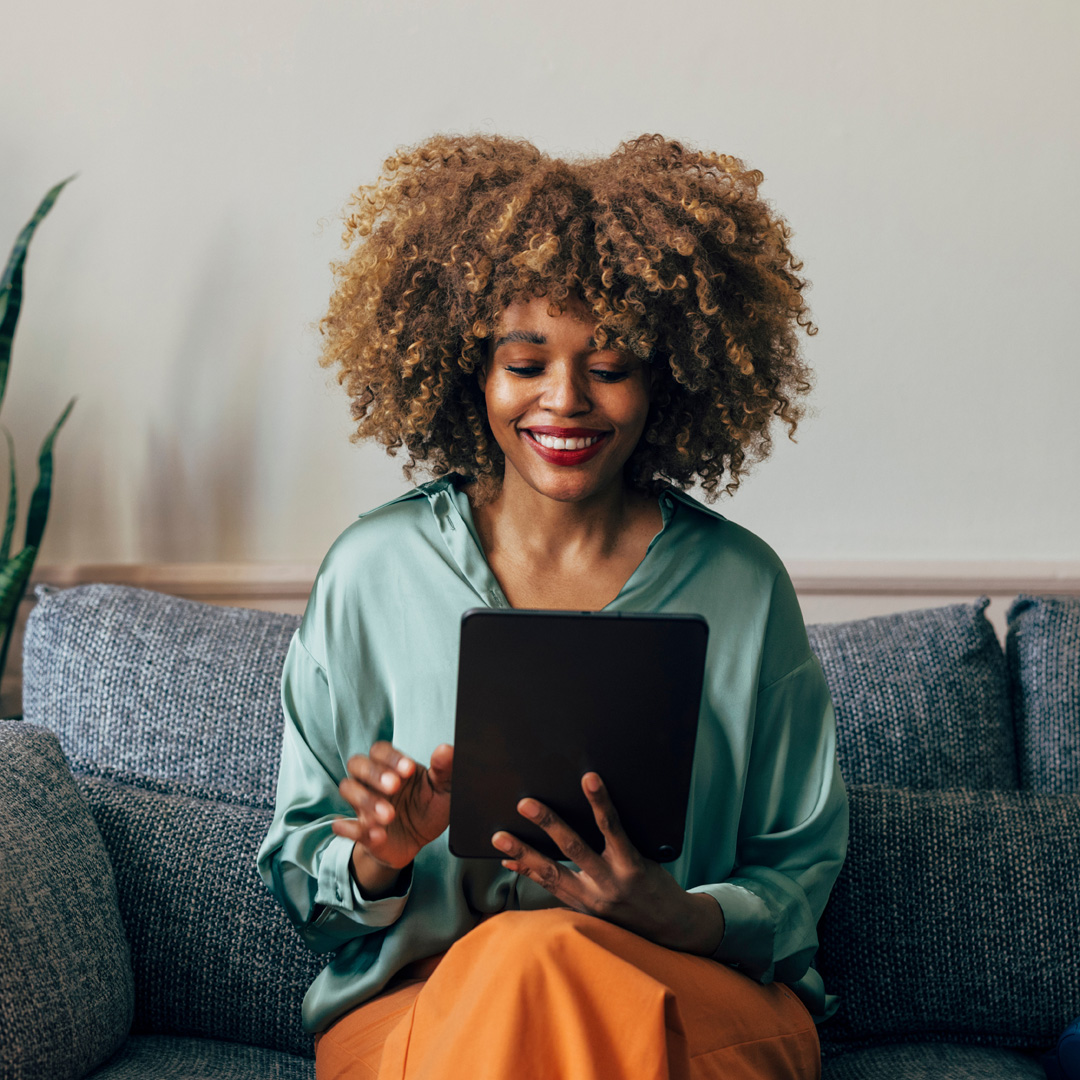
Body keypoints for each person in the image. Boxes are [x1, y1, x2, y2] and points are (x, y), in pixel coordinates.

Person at [256, 133, 849, 1080]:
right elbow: (303, 874)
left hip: (687, 991)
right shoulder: (373, 572)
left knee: (547, 965)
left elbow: (799, 868)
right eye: (525, 362)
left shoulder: (743, 585)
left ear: (668, 379)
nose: (565, 401)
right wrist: (381, 857)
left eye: (609, 366)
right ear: (470, 371)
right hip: (427, 1010)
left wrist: (679, 912)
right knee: (523, 967)